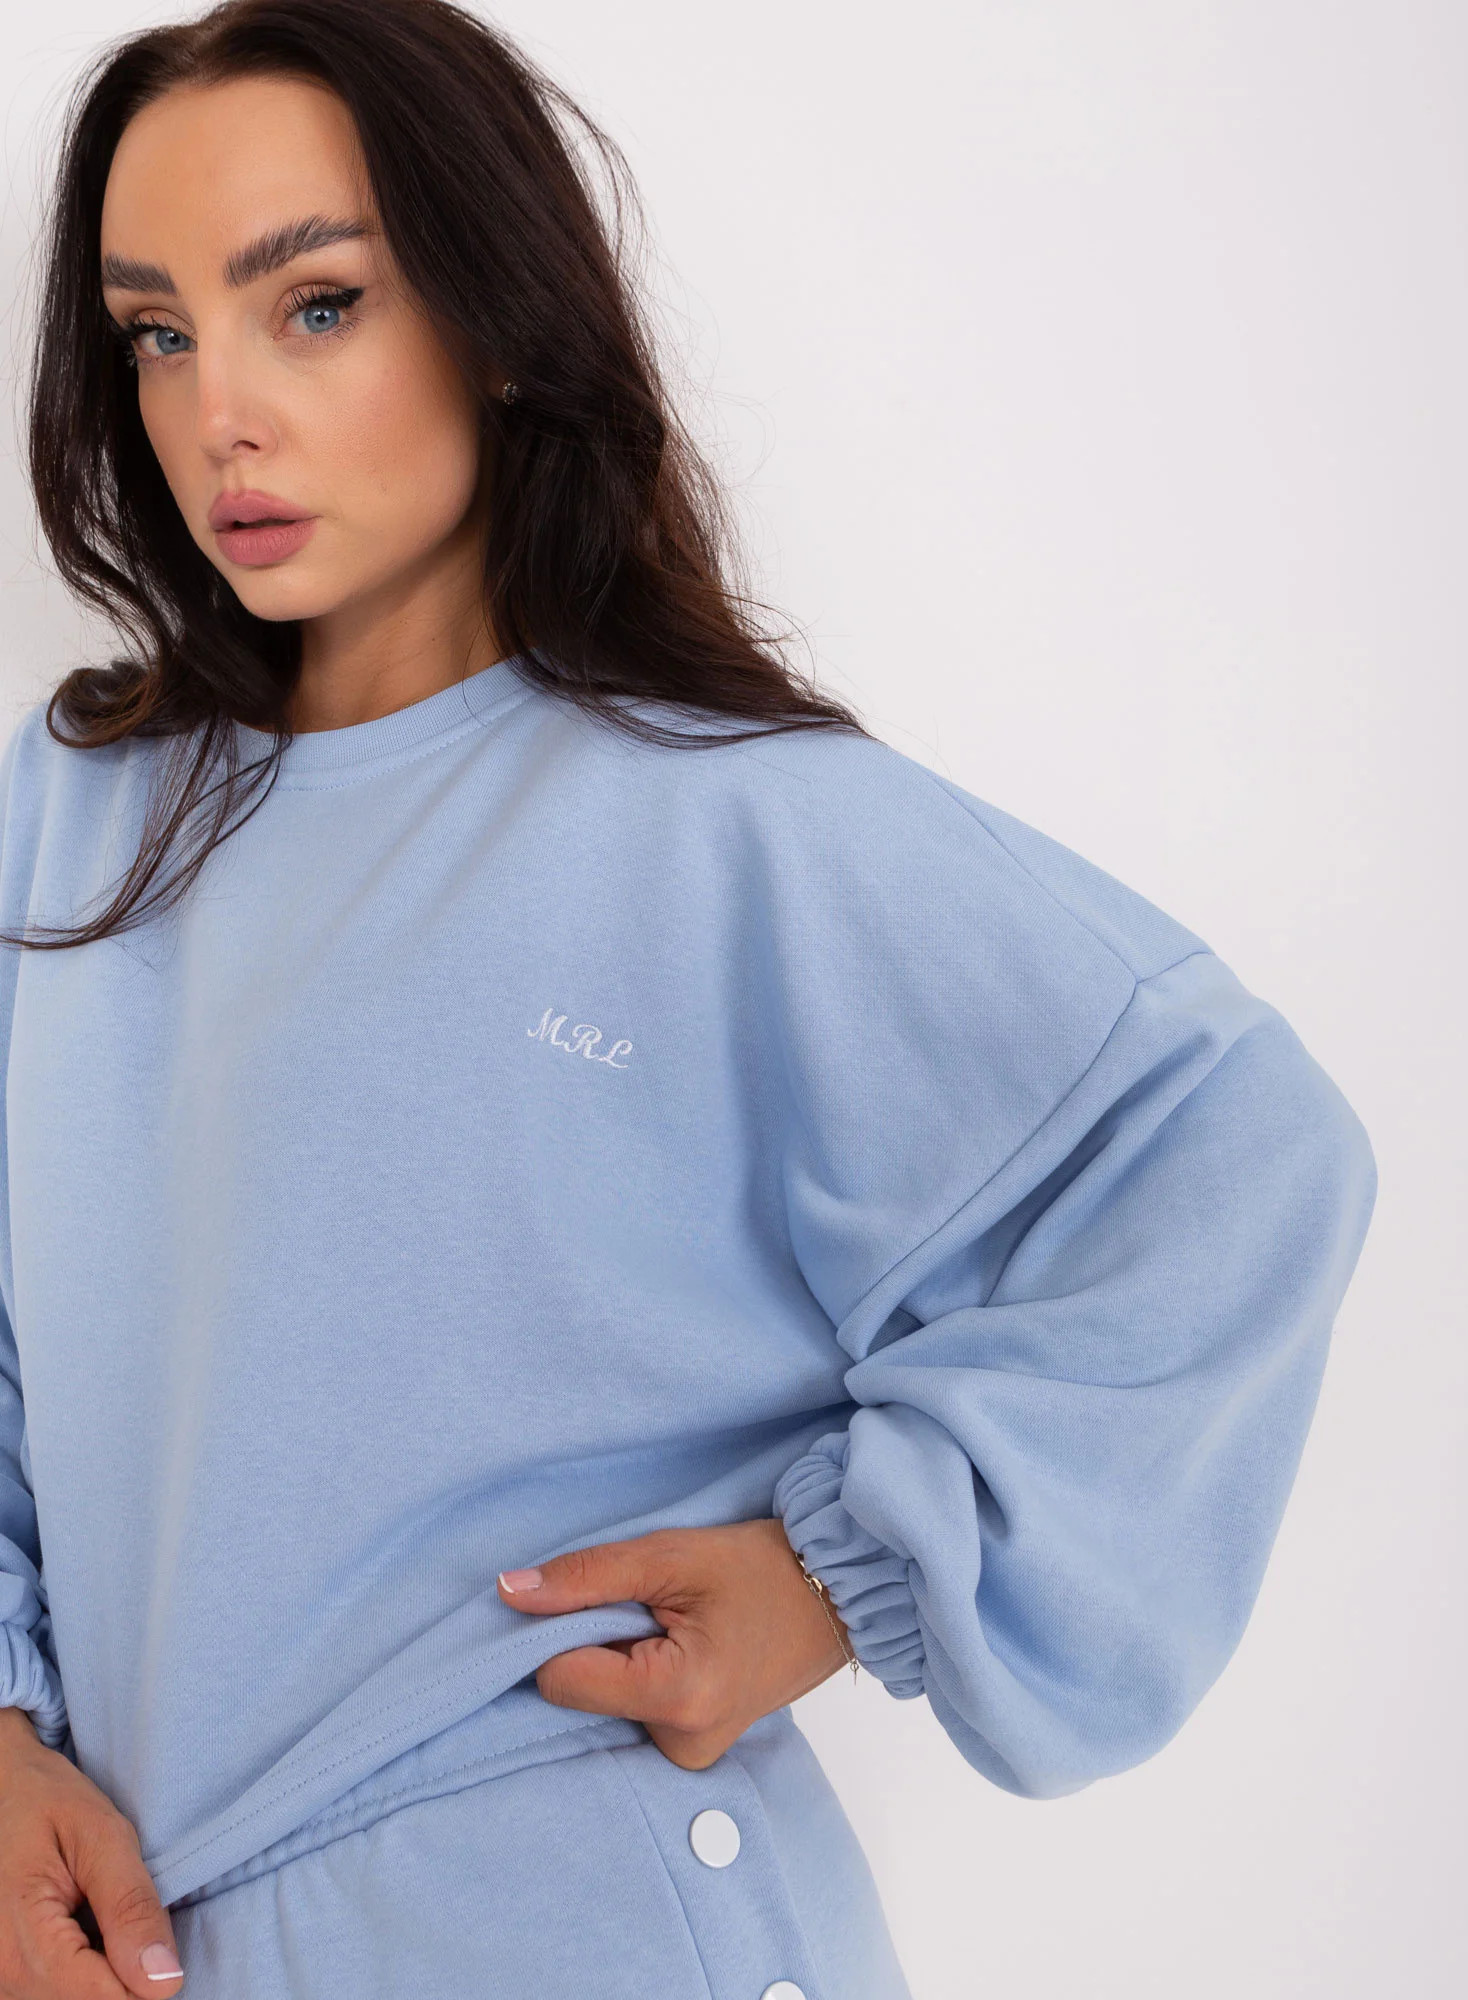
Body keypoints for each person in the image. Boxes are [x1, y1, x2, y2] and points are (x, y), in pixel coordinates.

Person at [0, 2, 1378, 1996]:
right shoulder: (71, 818)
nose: (221, 413)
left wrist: (840, 1569)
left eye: (316, 306)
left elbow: (1235, 1152)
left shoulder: (726, 822)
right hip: (152, 1938)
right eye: (156, 332)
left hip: (579, 1914)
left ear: (493, 316)